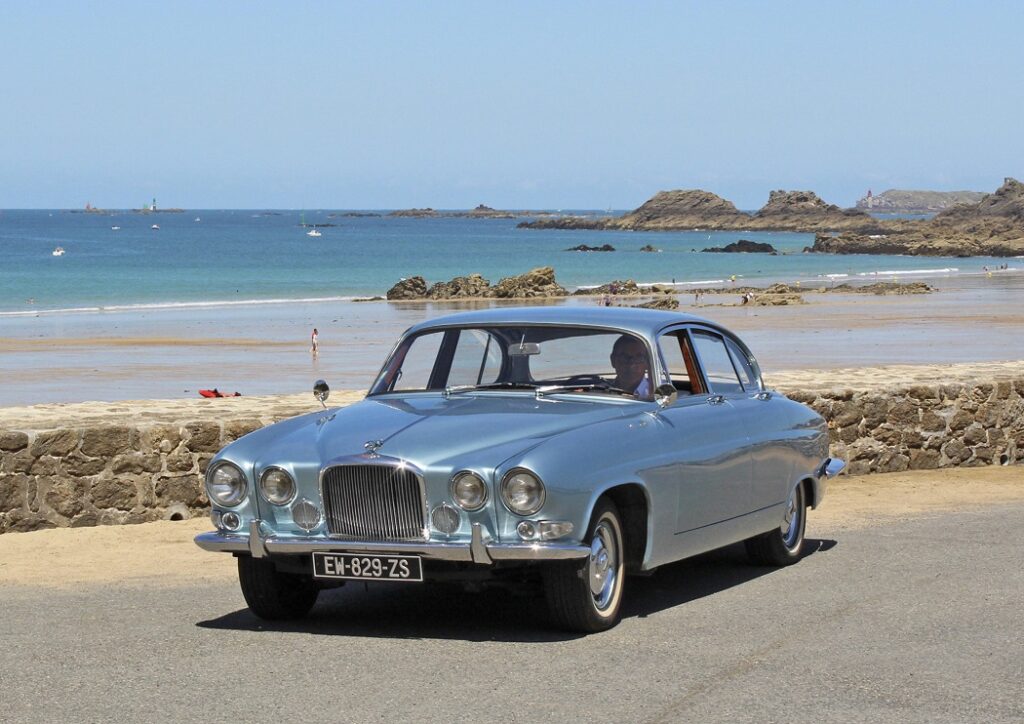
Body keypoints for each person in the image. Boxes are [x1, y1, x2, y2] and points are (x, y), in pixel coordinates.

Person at [609, 335, 652, 399]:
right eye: (624, 357)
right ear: (613, 360)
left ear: (647, 362)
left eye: (638, 358)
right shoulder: (598, 393)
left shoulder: (660, 396)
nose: (631, 365)